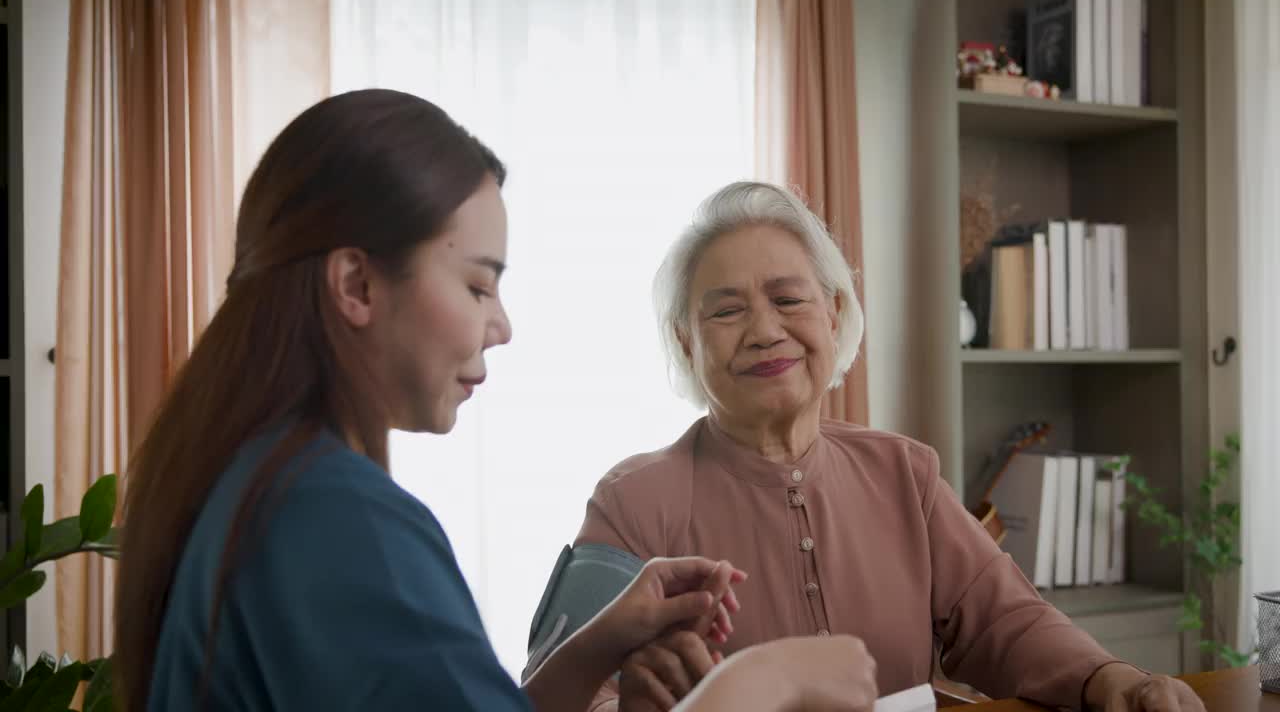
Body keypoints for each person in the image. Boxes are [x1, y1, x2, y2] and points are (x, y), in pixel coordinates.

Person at [112, 91, 878, 712]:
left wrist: (593, 647)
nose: (502, 325)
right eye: (478, 283)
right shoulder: (334, 520)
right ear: (355, 285)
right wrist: (759, 685)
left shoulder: (257, 481)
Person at [556, 181, 1207, 712]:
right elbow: (563, 690)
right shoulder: (630, 503)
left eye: (788, 298)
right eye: (725, 312)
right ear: (683, 342)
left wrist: (1104, 677)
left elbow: (1005, 622)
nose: (763, 330)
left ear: (833, 315)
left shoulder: (904, 471)